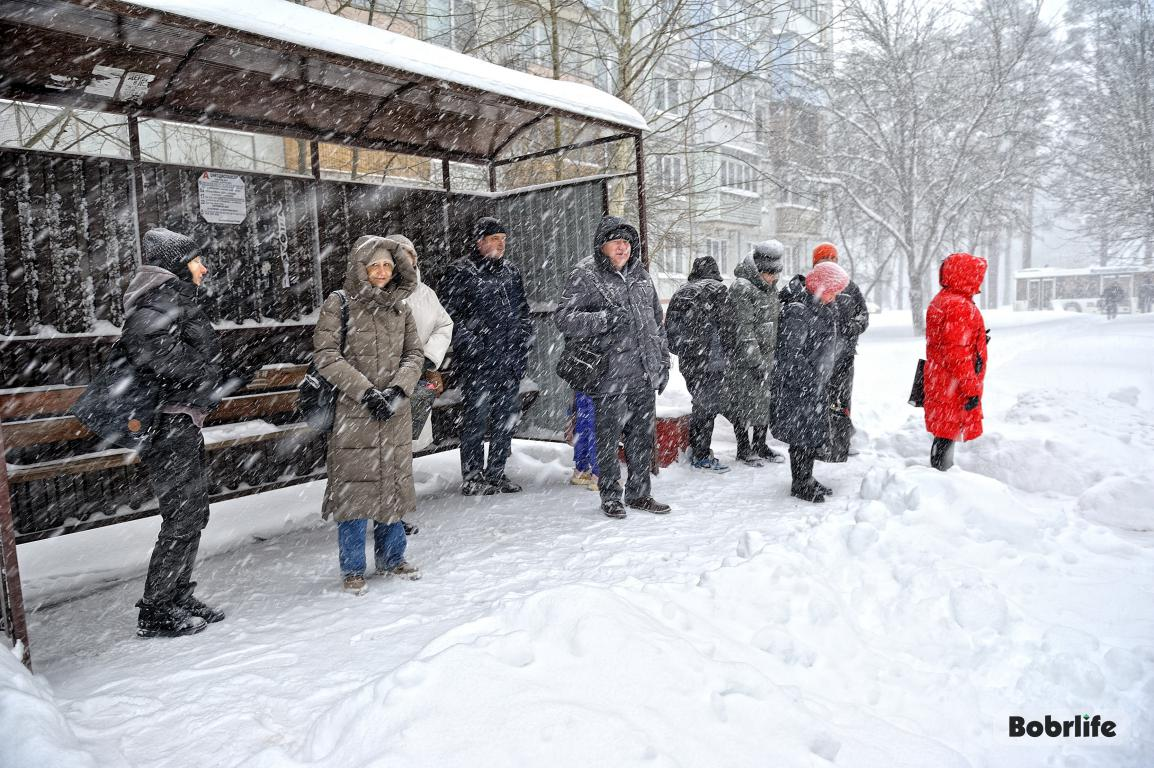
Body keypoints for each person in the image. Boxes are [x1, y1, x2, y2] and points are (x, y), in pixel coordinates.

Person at [119, 228, 232, 637]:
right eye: (195, 260)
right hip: (168, 425)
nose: (203, 267)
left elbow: (181, 357)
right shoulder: (156, 302)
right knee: (182, 516)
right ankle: (155, 608)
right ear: (176, 265)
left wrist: (212, 378)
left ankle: (177, 594)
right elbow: (153, 353)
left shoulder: (172, 299)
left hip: (182, 421)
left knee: (193, 512)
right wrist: (209, 379)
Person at [313, 236, 425, 593]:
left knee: (391, 488)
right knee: (354, 493)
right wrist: (366, 392)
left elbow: (415, 355)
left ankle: (393, 558)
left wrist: (398, 389)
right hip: (354, 413)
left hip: (394, 411)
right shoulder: (339, 304)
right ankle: (353, 568)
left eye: (387, 266)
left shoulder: (402, 309)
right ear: (361, 268)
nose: (380, 272)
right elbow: (328, 356)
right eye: (374, 265)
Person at [555, 216, 671, 519]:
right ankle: (610, 496)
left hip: (643, 373)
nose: (623, 247)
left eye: (627, 242)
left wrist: (663, 362)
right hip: (607, 374)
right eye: (616, 241)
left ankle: (639, 494)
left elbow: (657, 324)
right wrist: (605, 319)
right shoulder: (586, 275)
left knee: (640, 437)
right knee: (607, 439)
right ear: (602, 246)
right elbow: (564, 318)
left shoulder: (641, 275)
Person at [438, 217, 534, 496]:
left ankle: (496, 473)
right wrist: (472, 346)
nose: (500, 244)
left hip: (509, 360)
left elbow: (523, 313)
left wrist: (522, 343)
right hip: (478, 363)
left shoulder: (511, 273)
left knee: (506, 418)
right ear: (479, 241)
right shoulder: (460, 272)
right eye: (494, 239)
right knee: (476, 419)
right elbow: (448, 317)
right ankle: (472, 476)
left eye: (503, 238)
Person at [771, 261, 850, 502]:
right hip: (799, 386)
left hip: (814, 385)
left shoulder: (820, 307)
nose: (835, 297)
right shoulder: (798, 311)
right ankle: (800, 483)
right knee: (801, 437)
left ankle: (807, 477)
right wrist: (812, 378)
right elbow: (789, 355)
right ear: (822, 288)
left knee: (811, 435)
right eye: (833, 292)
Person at [924, 252, 989, 472]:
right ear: (966, 275)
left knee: (944, 430)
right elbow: (956, 353)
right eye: (977, 275)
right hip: (952, 381)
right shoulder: (959, 307)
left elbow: (947, 342)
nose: (980, 280)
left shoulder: (944, 300)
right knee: (947, 432)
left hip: (940, 377)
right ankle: (942, 478)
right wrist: (971, 388)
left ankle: (940, 472)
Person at [665, 255, 730, 472]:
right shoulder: (718, 290)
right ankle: (701, 454)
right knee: (707, 407)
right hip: (714, 359)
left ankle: (700, 450)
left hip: (691, 362)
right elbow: (731, 328)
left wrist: (688, 348)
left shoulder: (681, 293)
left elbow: (671, 335)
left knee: (701, 403)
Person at [722, 241, 785, 467]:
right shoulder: (742, 288)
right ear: (758, 270)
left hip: (767, 357)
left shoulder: (769, 288)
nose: (774, 278)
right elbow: (744, 328)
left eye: (776, 273)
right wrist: (755, 361)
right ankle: (743, 447)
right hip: (744, 360)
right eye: (769, 273)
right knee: (743, 404)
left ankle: (759, 444)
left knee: (763, 404)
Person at [811, 242, 870, 456]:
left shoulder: (849, 286)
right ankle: (819, 440)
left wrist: (851, 328)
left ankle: (841, 439)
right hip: (818, 355)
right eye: (823, 261)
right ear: (815, 264)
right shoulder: (811, 285)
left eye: (831, 260)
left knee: (843, 398)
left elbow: (863, 316)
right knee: (820, 398)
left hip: (845, 355)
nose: (828, 265)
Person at [569, 391, 599, 490]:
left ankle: (581, 470)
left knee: (583, 422)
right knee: (597, 426)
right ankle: (599, 475)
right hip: (603, 386)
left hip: (582, 383)